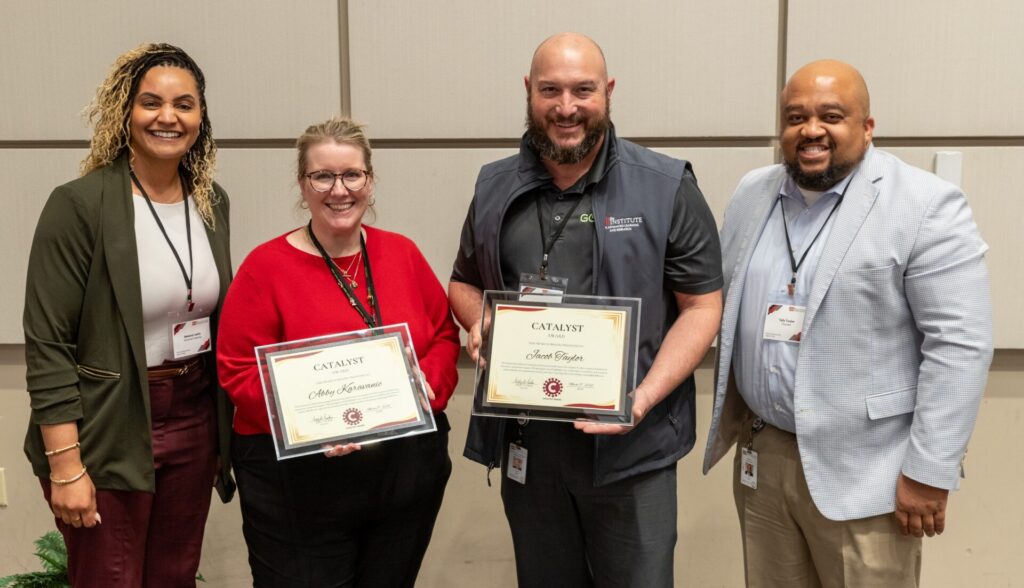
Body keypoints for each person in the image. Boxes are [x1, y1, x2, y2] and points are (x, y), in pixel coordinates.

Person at [703, 60, 993, 587]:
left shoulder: (924, 204)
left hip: (869, 473)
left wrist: (929, 473)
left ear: (867, 126)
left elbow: (960, 346)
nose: (811, 130)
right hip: (763, 457)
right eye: (795, 117)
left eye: (831, 116)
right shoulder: (752, 192)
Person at [449, 33, 723, 587]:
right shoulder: (495, 185)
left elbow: (702, 307)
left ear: (609, 92)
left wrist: (640, 401)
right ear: (529, 92)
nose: (566, 107)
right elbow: (463, 283)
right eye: (550, 89)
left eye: (583, 90)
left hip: (632, 452)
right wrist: (481, 320)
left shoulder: (666, 185)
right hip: (531, 445)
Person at [22, 43, 234, 586]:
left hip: (192, 413)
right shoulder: (80, 204)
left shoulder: (211, 201)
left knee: (175, 575)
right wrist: (66, 464)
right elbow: (49, 343)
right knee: (109, 578)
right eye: (151, 103)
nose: (168, 117)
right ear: (125, 111)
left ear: (201, 116)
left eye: (184, 104)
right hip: (107, 422)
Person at [217, 116, 460, 587]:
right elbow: (238, 371)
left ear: (370, 180)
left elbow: (443, 337)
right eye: (323, 176)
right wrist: (312, 424)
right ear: (302, 184)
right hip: (297, 481)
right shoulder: (264, 268)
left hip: (400, 472)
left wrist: (426, 390)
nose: (339, 189)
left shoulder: (402, 254)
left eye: (352, 174)